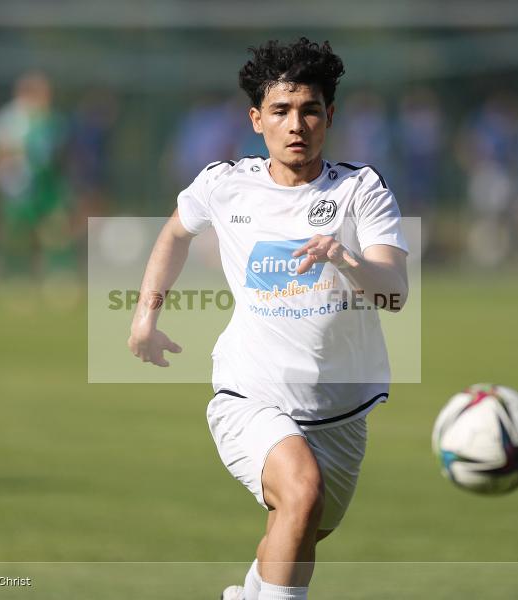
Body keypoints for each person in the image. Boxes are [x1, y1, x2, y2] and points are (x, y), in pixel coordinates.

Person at [127, 38, 409, 600]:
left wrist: (343, 257)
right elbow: (175, 233)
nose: (295, 124)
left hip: (340, 412)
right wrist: (144, 318)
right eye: (280, 111)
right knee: (301, 494)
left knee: (300, 531)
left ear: (329, 115)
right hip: (250, 394)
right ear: (257, 119)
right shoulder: (224, 183)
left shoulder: (361, 190)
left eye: (309, 109)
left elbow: (393, 292)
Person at [0, 72, 75, 280]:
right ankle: (17, 276)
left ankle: (59, 277)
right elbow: (0, 151)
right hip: (21, 185)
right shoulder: (11, 118)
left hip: (48, 184)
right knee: (19, 233)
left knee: (55, 229)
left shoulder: (51, 119)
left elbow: (60, 153)